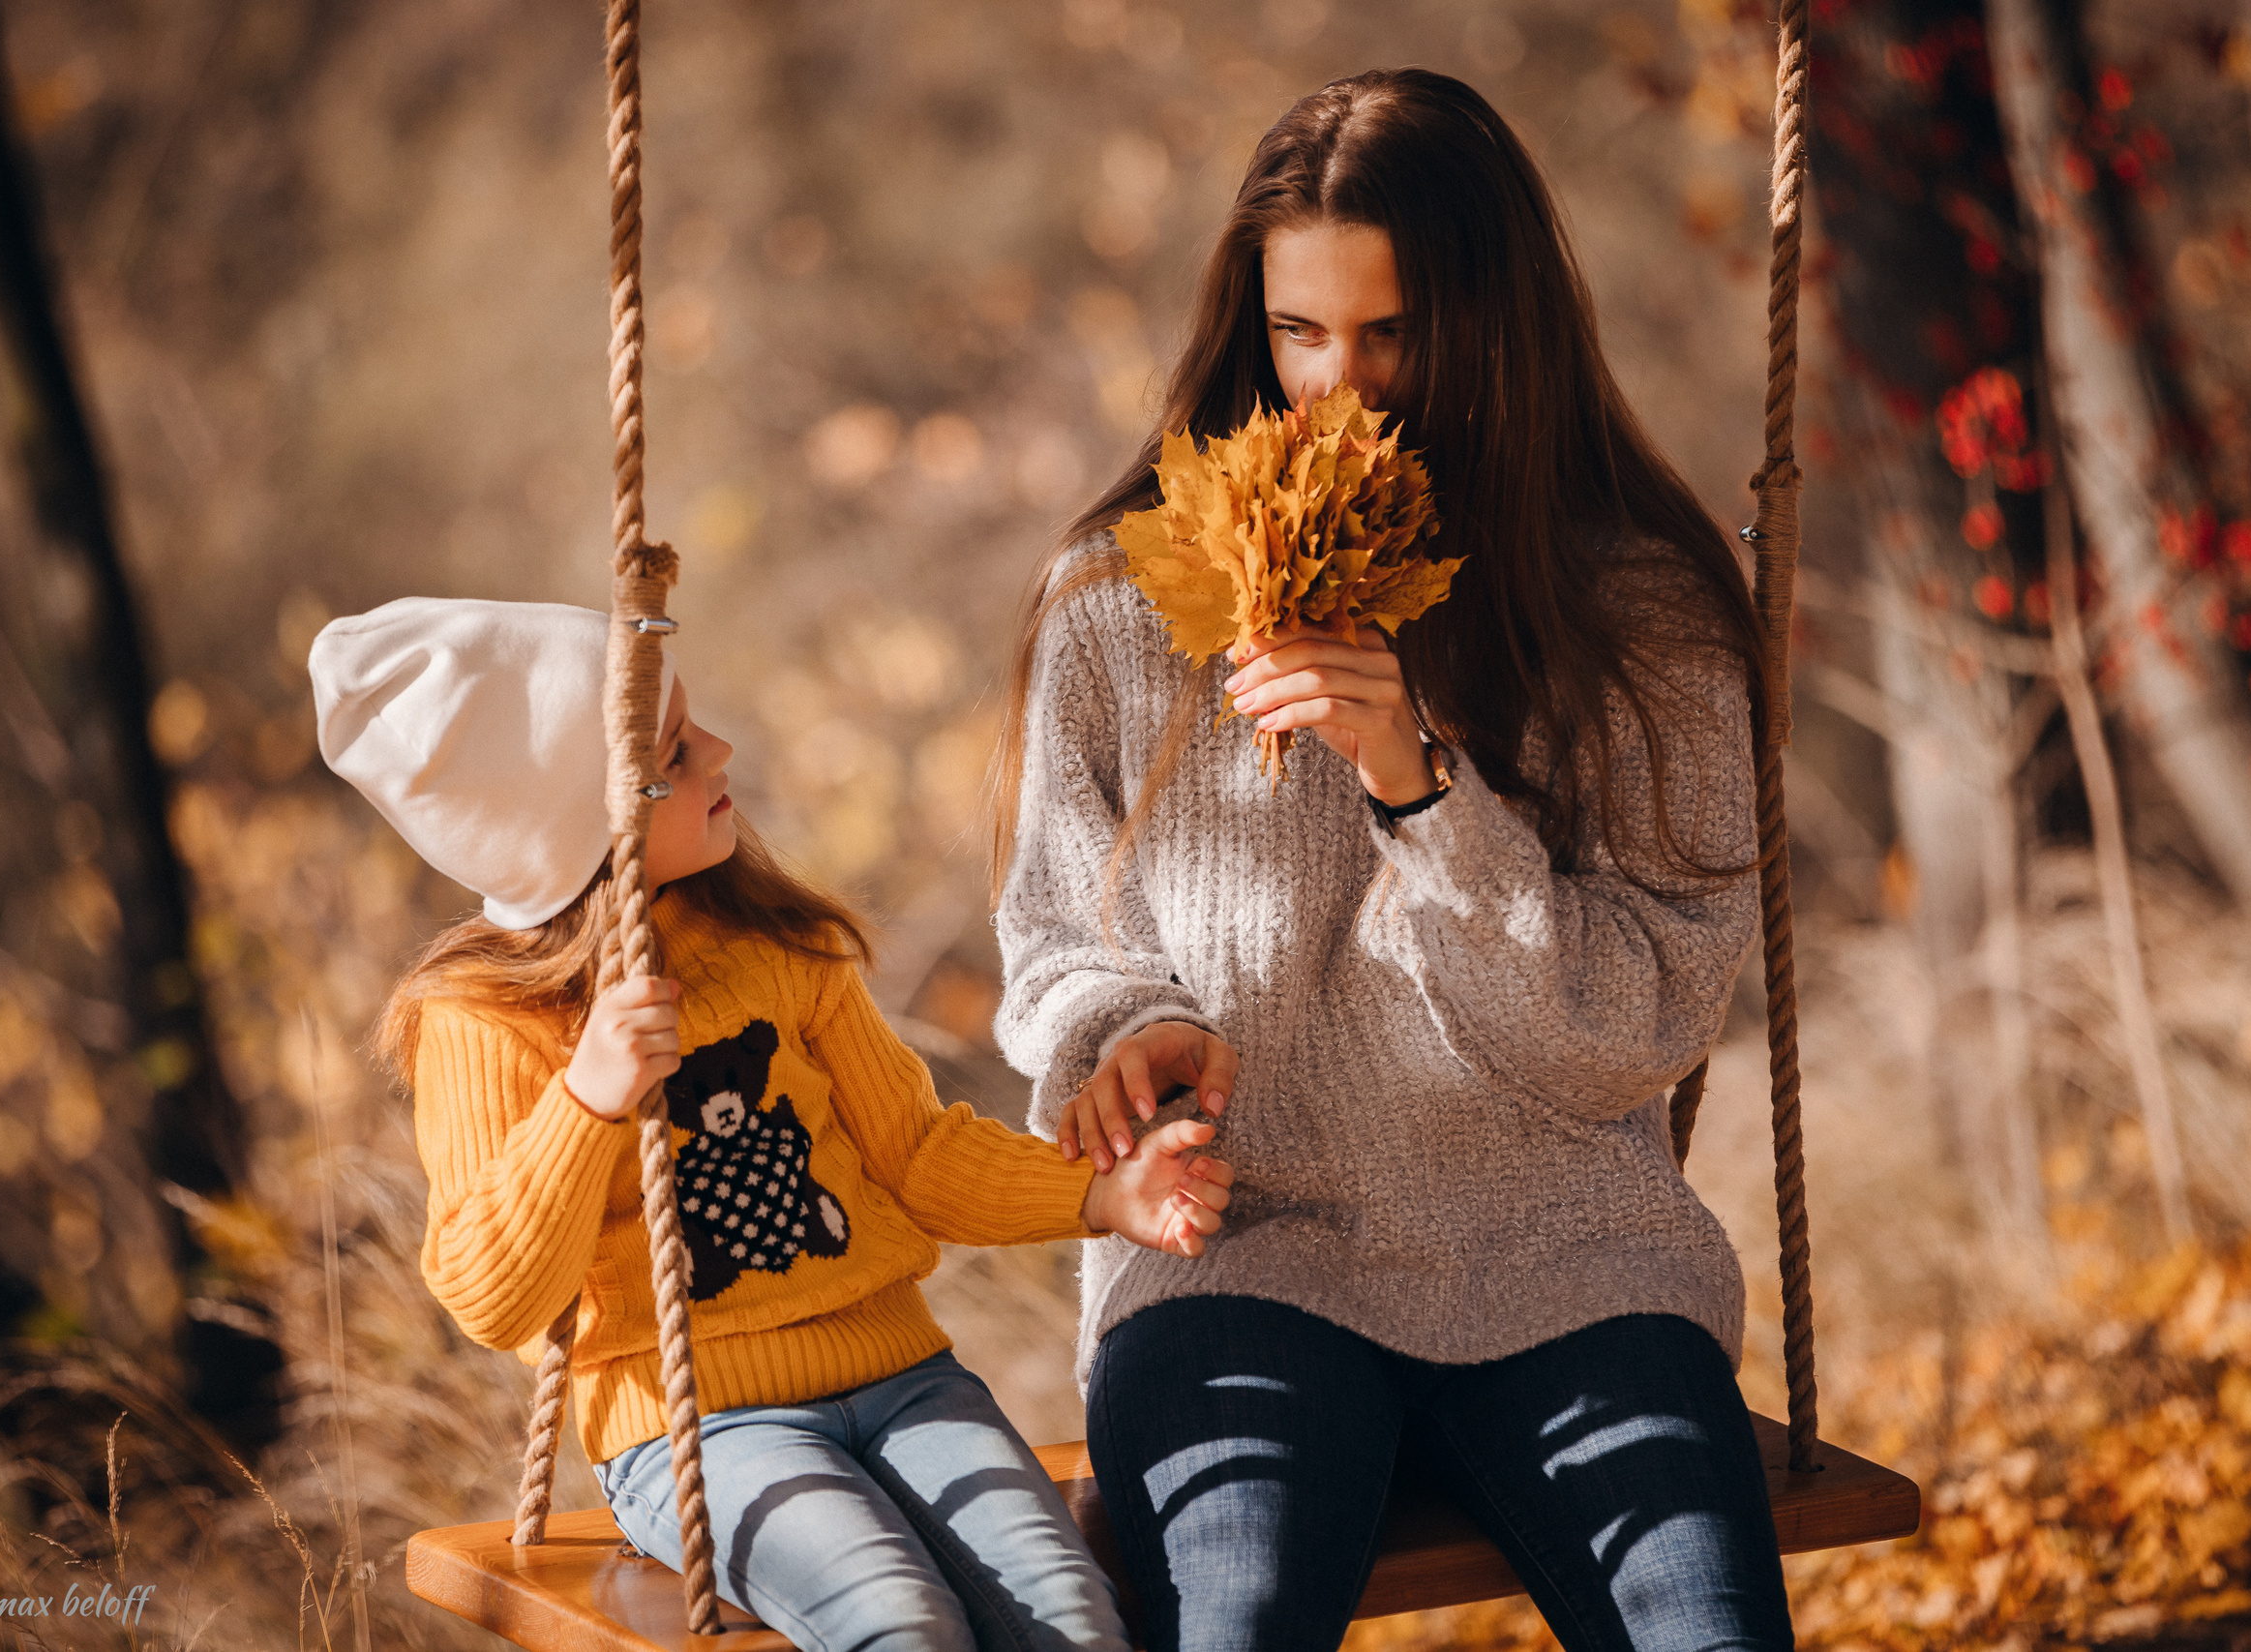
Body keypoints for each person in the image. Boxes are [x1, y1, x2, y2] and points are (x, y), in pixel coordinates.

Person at [992, 69, 1796, 1652]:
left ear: (1498, 326)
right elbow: (1059, 932)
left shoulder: (1641, 611)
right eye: (1300, 331)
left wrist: (1424, 789)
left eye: (1392, 335)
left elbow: (1643, 1019)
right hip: (1238, 1255)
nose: (1337, 390)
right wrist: (1123, 1029)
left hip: (1570, 1257)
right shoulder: (1121, 596)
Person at [312, 597, 1232, 1652]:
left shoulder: (777, 948)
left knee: (1071, 1615)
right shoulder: (486, 1019)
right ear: (574, 825)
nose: (720, 750)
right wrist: (587, 1099)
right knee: (901, 1625)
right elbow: (491, 1294)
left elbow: (917, 1153)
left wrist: (1100, 1193)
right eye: (675, 752)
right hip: (699, 1431)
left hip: (905, 1383)